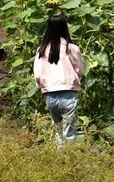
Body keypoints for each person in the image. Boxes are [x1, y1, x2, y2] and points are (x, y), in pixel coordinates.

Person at [32, 13, 86, 146]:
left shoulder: (42, 50)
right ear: (65, 28)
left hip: (50, 95)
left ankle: (58, 158)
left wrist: (43, 86)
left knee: (59, 130)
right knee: (69, 132)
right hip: (67, 92)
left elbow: (37, 74)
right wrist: (74, 79)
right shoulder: (71, 48)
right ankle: (68, 160)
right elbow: (80, 70)